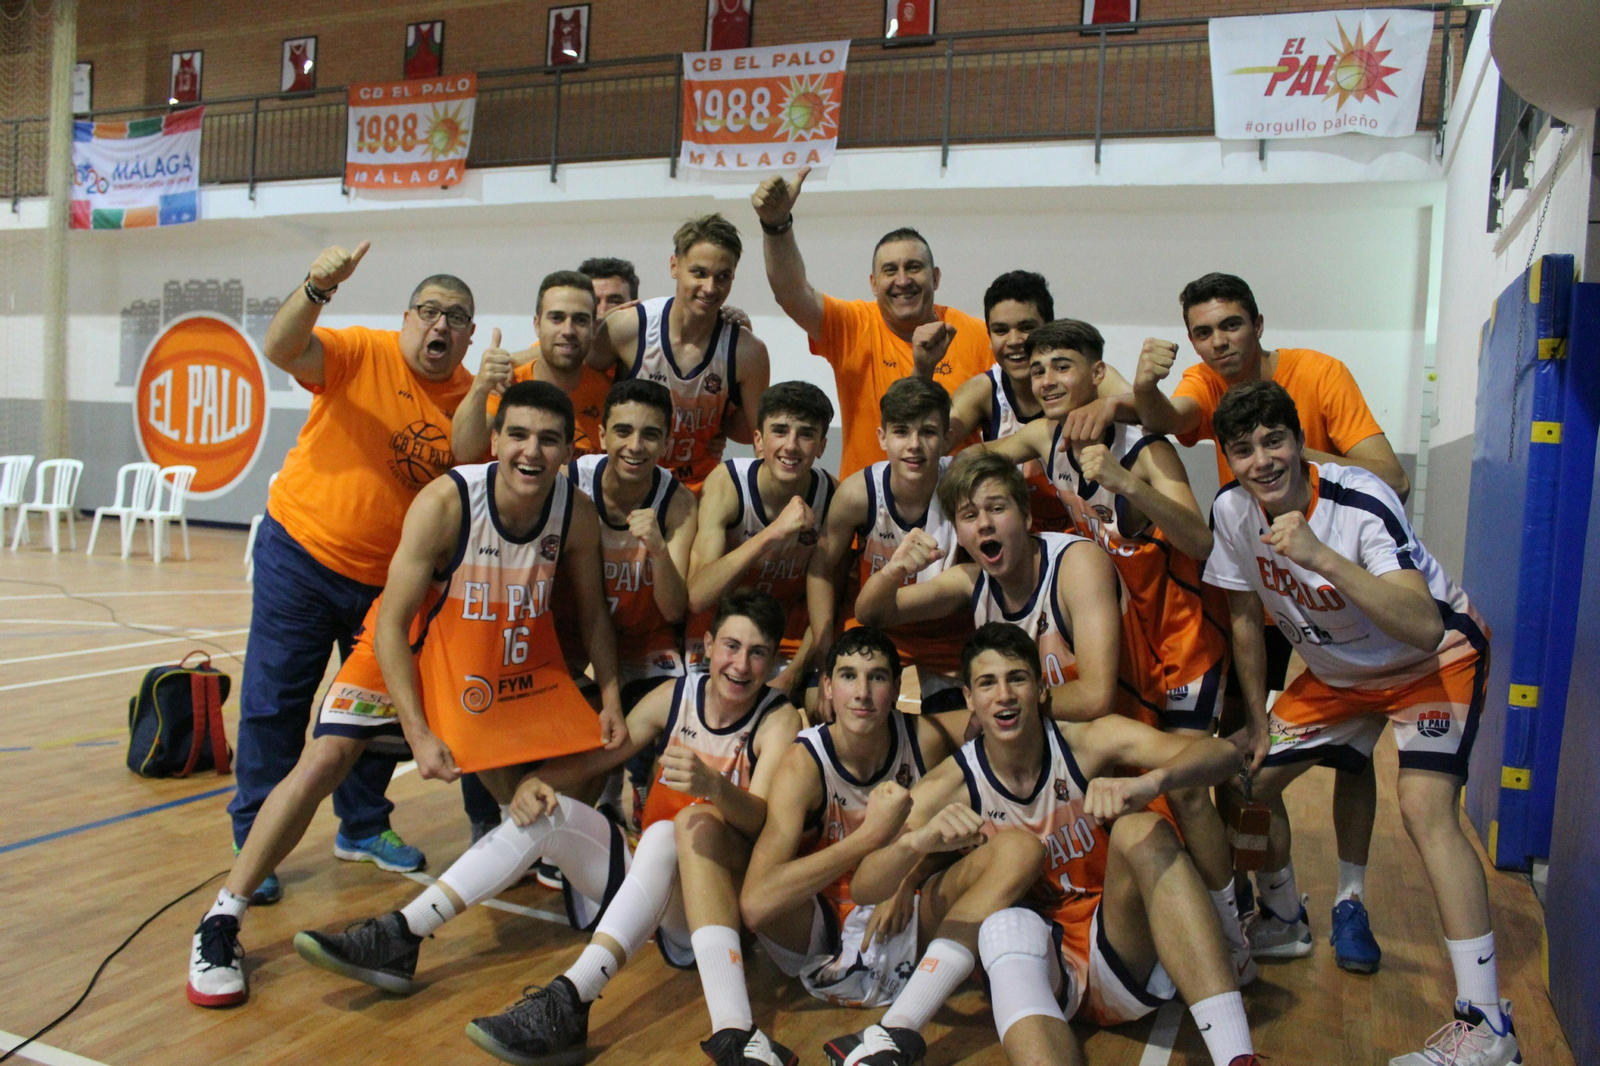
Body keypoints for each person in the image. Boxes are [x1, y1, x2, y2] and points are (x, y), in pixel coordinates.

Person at [187, 382, 626, 1008]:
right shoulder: (448, 502)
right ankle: (223, 919)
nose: (533, 451)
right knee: (325, 759)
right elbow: (391, 623)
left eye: (550, 440)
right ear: (495, 441)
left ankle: (430, 926)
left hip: (484, 657)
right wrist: (418, 731)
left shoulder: (573, 513)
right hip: (408, 650)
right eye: (520, 436)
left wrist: (608, 694)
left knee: (540, 792)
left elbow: (595, 614)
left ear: (566, 451)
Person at [1206, 381, 1515, 1066]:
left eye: (1274, 440)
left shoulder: (1358, 499)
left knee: (1424, 810)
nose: (1261, 460)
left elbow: (1422, 621)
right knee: (1245, 783)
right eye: (1243, 449)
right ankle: (1282, 918)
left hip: (1432, 660)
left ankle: (1487, 1026)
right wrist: (1258, 721)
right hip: (1335, 674)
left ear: (1299, 443)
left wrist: (1320, 556)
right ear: (1228, 459)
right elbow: (1241, 619)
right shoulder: (1232, 511)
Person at [1123, 271, 1404, 971]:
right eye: (1204, 332)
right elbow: (1165, 415)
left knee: (1354, 754)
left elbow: (1388, 474)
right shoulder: (1204, 383)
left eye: (1231, 326)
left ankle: (1351, 900)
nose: (1218, 343)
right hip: (1269, 597)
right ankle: (1274, 900)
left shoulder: (1318, 373)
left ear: (1259, 324)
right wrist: (1144, 388)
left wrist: (1276, 454)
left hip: (1352, 591)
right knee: (1244, 756)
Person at [822, 623, 1257, 1066]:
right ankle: (896, 1033)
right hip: (1032, 958)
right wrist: (918, 842)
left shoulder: (1087, 742)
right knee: (1007, 909)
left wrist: (1151, 782)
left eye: (1017, 678)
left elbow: (1223, 755)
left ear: (1042, 689)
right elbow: (864, 887)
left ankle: (1236, 1055)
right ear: (970, 700)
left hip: (1117, 943)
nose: (1004, 695)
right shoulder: (952, 782)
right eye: (987, 683)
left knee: (1141, 829)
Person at [975, 319, 1250, 980]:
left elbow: (1201, 540)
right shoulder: (1046, 435)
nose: (1045, 380)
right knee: (1131, 786)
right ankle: (1166, 925)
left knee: (1186, 789)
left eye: (1061, 366)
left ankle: (1234, 935)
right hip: (1127, 643)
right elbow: (975, 466)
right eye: (1037, 369)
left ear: (1097, 374)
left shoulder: (1145, 445)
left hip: (1183, 640)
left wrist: (1126, 482)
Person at [229, 243, 477, 906]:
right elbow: (283, 348)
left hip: (391, 582)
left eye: (456, 317)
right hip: (302, 555)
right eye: (429, 311)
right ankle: (255, 835)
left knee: (371, 715)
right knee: (275, 700)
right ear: (406, 318)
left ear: (470, 334)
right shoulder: (359, 352)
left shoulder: (469, 398)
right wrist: (316, 284)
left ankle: (362, 828)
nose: (440, 326)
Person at [463, 591, 804, 1066]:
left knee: (681, 825)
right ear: (707, 645)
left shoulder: (778, 717)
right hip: (651, 894)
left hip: (710, 910)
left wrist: (715, 788)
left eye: (757, 652)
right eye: (731, 646)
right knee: (550, 808)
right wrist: (538, 779)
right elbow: (605, 754)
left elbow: (762, 822)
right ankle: (407, 929)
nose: (740, 664)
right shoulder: (677, 695)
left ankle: (573, 997)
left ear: (771, 661)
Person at [740, 626, 967, 1010]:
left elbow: (953, 836)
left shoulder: (923, 738)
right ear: (828, 687)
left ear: (896, 688)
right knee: (761, 897)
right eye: (848, 676)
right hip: (820, 916)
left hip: (899, 906)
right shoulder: (804, 762)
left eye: (876, 677)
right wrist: (868, 838)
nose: (862, 693)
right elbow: (755, 905)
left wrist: (906, 878)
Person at [856, 451, 1158, 729]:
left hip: (1122, 750)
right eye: (970, 516)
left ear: (1026, 516)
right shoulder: (970, 581)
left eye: (997, 508)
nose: (984, 524)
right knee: (927, 738)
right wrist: (894, 571)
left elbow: (1096, 697)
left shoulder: (1077, 565)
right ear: (958, 534)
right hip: (1045, 755)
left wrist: (992, 710)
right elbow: (872, 613)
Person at [751, 167, 994, 479]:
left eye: (914, 267)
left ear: (935, 277)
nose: (903, 280)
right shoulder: (853, 325)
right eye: (890, 270)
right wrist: (776, 225)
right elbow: (791, 292)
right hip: (867, 517)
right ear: (873, 283)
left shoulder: (976, 335)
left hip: (954, 512)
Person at [807, 377, 971, 721]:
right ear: (882, 438)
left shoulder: (965, 486)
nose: (914, 445)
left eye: (927, 432)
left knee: (959, 725)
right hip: (875, 623)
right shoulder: (859, 493)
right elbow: (821, 568)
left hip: (946, 633)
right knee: (841, 713)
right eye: (901, 432)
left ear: (947, 438)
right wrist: (825, 654)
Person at [584, 214, 771, 492]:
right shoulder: (628, 328)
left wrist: (722, 417)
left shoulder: (747, 351)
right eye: (699, 273)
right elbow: (572, 380)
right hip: (626, 483)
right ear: (674, 266)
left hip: (697, 488)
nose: (710, 288)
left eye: (722, 277)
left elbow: (757, 439)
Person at [688, 381, 836, 699]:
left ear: (822, 445)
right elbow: (698, 595)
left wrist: (796, 674)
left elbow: (826, 601)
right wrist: (773, 533)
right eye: (780, 431)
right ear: (758, 440)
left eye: (806, 434)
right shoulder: (728, 484)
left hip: (790, 643)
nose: (791, 446)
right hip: (723, 637)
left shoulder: (831, 495)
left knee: (825, 712)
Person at [945, 270, 1073, 532]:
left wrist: (1110, 405)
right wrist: (924, 367)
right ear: (989, 335)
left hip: (1083, 541)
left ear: (1049, 327)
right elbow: (925, 446)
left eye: (1026, 328)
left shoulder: (1081, 378)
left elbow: (1147, 415)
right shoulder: (982, 391)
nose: (1014, 341)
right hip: (1012, 545)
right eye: (1001, 330)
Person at [453, 270, 614, 462]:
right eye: (556, 318)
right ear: (537, 325)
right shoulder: (507, 384)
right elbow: (463, 452)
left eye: (580, 320)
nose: (568, 330)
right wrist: (480, 385)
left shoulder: (609, 392)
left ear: (594, 327)